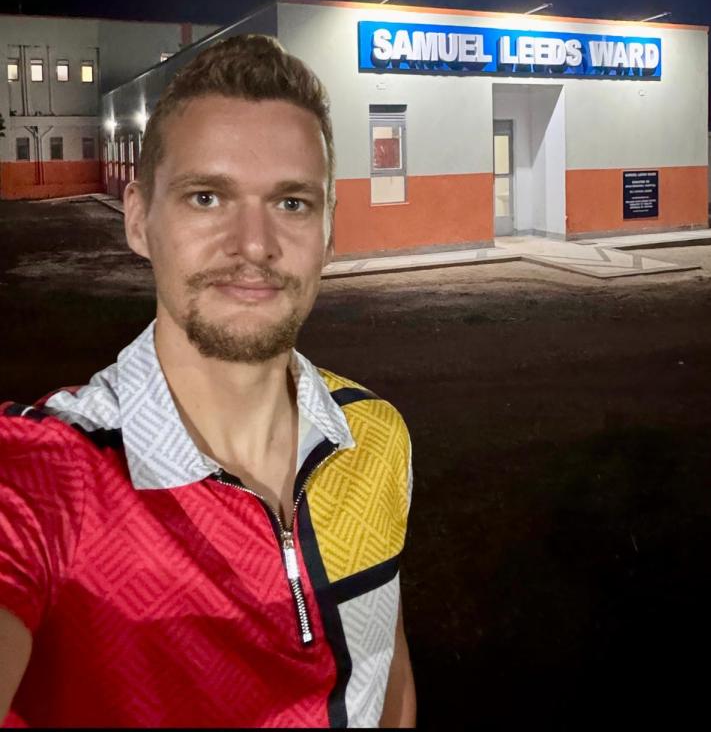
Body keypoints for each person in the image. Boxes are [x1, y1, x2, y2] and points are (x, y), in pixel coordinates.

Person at [0, 35, 415, 728]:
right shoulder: (41, 476)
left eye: (291, 204)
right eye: (206, 196)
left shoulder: (374, 436)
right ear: (138, 219)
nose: (253, 245)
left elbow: (381, 672)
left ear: (328, 231)